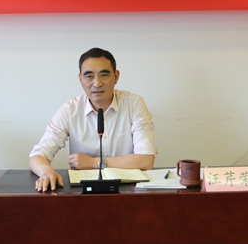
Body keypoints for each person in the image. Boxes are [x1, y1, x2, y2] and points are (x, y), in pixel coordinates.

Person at [29, 48, 157, 191]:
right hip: (85, 192)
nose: (97, 83)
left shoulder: (133, 104)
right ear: (80, 79)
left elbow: (146, 160)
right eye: (89, 76)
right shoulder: (70, 110)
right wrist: (47, 172)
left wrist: (93, 162)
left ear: (116, 77)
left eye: (104, 75)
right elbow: (38, 155)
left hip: (127, 190)